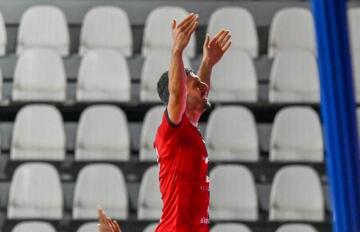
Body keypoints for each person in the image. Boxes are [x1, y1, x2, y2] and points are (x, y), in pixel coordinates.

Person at [98, 12, 231, 232]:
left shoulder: (188, 130)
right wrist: (177, 50)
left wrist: (208, 62)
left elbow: (193, 91)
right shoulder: (171, 131)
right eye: (195, 84)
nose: (203, 86)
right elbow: (177, 94)